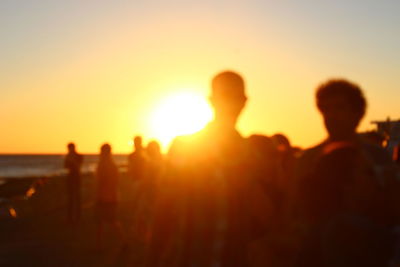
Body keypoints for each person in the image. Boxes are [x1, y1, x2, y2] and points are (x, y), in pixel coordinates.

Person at [146, 71, 272, 267]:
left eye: (235, 96)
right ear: (211, 100)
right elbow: (163, 209)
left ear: (244, 101)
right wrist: (153, 258)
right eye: (224, 95)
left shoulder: (255, 154)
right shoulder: (185, 147)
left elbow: (265, 221)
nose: (230, 103)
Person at [294, 79, 400, 267]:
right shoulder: (307, 160)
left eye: (339, 108)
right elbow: (293, 218)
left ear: (357, 113)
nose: (332, 115)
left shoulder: (378, 157)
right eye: (326, 109)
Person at [95, 143, 125, 249]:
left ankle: (101, 245)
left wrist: (97, 195)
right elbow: (117, 181)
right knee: (110, 221)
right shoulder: (113, 165)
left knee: (103, 221)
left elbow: (100, 182)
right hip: (112, 196)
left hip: (105, 197)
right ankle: (122, 242)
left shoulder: (103, 165)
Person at [64, 142, 83, 224]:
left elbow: (79, 166)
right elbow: (65, 166)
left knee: (77, 198)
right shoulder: (67, 156)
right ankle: (69, 218)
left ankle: (78, 217)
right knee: (70, 198)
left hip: (77, 177)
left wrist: (72, 160)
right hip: (70, 177)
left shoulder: (79, 156)